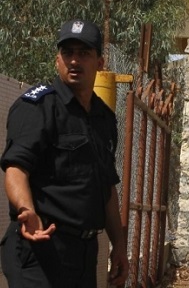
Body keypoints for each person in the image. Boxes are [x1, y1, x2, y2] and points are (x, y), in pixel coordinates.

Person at [0, 19, 129, 287]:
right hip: (41, 246)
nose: (74, 61)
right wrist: (26, 209)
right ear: (57, 60)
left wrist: (119, 244)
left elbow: (106, 188)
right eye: (67, 52)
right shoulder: (38, 107)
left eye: (83, 53)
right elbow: (16, 169)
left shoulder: (104, 119)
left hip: (83, 254)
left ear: (100, 63)